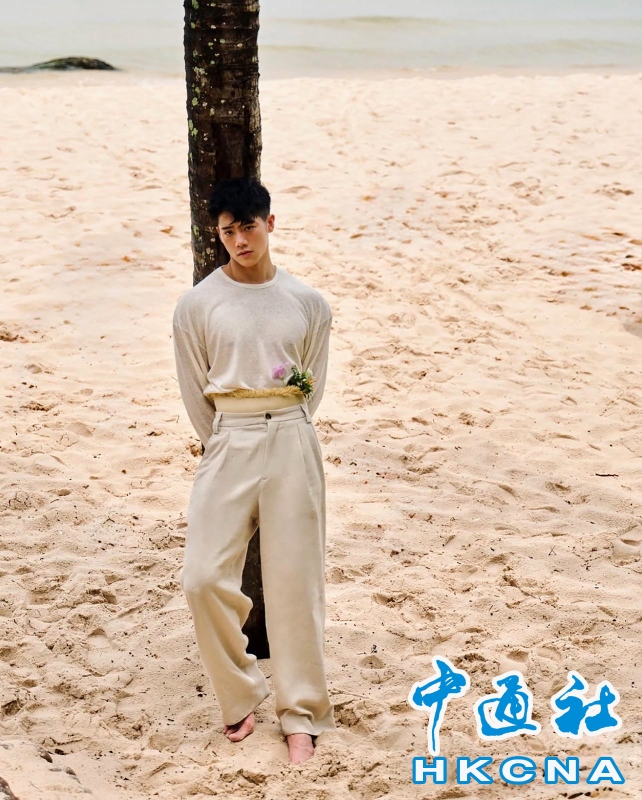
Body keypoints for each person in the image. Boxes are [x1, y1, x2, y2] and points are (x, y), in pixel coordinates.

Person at [172, 177, 336, 764]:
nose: (239, 240)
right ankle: (240, 692)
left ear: (270, 223)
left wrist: (285, 427)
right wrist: (225, 439)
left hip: (292, 434)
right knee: (202, 577)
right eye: (227, 231)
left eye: (248, 226)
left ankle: (302, 714)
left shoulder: (308, 302)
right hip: (228, 438)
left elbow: (312, 383)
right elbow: (196, 389)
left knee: (296, 583)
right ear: (218, 235)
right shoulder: (197, 305)